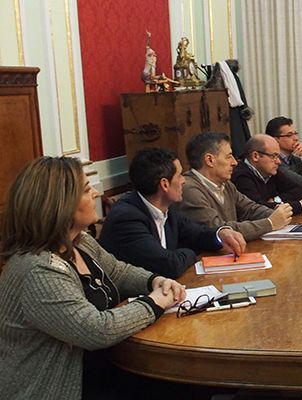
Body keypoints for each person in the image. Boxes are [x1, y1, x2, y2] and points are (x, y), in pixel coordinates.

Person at [0, 157, 186, 399]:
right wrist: (155, 302)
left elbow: (118, 272)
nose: (97, 193)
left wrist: (154, 281)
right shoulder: (39, 270)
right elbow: (97, 330)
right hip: (58, 389)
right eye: (87, 189)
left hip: (108, 369)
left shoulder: (80, 242)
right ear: (60, 204)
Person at [99, 148, 247, 279]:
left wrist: (221, 234)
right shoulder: (126, 219)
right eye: (180, 175)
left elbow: (198, 234)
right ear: (164, 184)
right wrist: (192, 252)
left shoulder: (168, 209)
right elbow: (169, 265)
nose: (184, 181)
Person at [178, 132, 293, 241]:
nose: (235, 162)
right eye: (229, 157)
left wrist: (279, 214)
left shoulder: (226, 184)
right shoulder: (189, 189)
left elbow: (250, 209)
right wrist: (270, 223)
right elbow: (220, 229)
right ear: (210, 160)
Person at [231, 134, 302, 214]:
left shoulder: (271, 171)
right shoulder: (241, 176)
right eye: (273, 156)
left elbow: (297, 191)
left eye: (278, 156)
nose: (278, 161)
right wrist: (300, 205)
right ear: (256, 156)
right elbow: (258, 209)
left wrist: (276, 200)